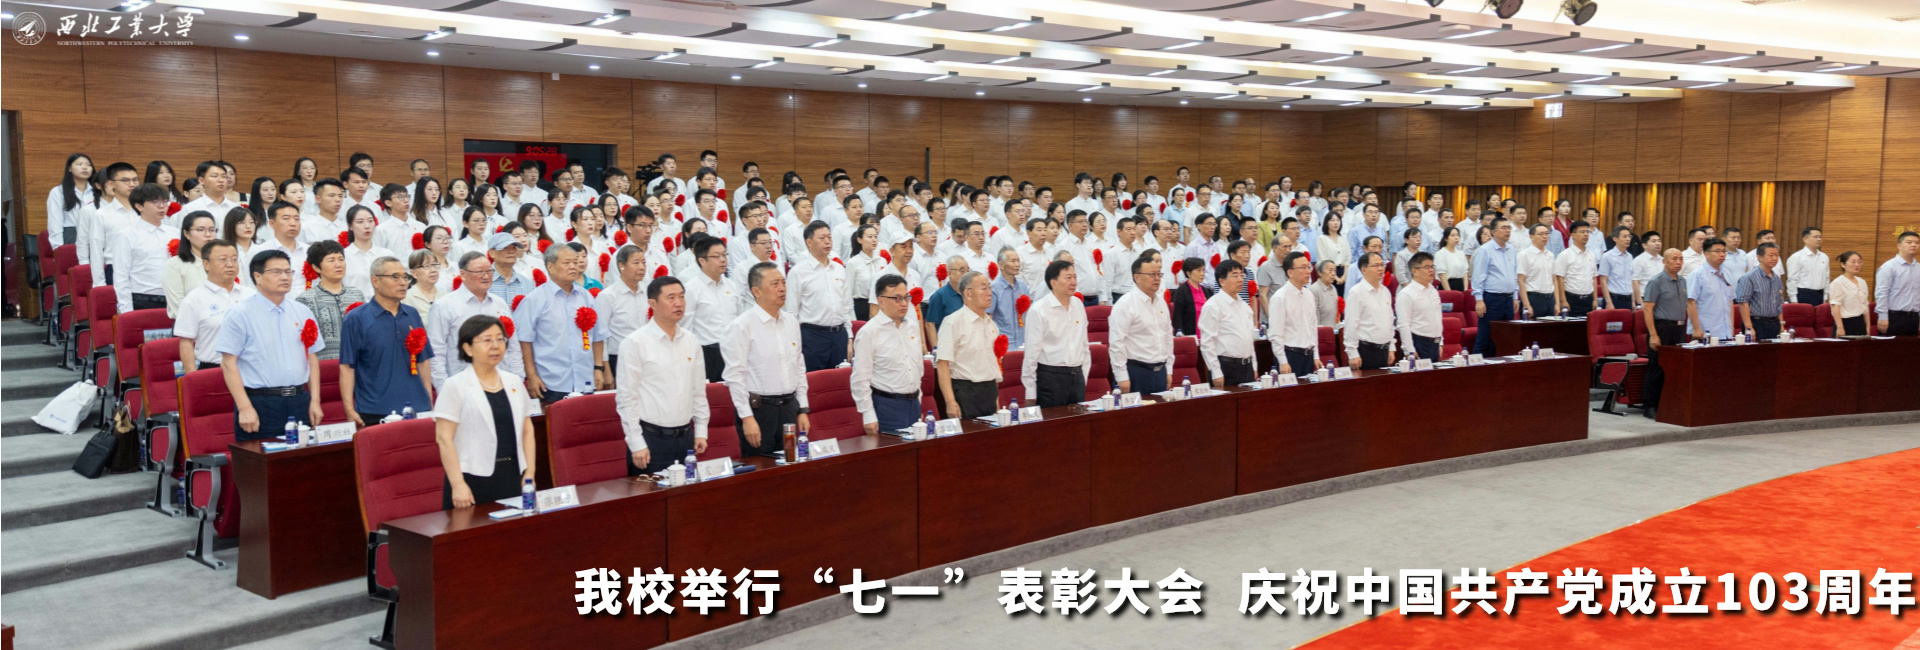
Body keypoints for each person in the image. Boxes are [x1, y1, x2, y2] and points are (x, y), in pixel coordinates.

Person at [216, 250, 325, 442]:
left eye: (288, 272)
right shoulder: (240, 314)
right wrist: (244, 407)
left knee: (303, 457)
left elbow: (312, 358)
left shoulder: (302, 311)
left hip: (300, 399)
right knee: (260, 457)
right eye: (276, 272)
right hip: (261, 402)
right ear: (257, 276)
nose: (285, 277)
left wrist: (315, 400)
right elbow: (228, 363)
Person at [433, 315, 538, 509]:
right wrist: (458, 484)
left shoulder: (514, 382)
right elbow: (444, 439)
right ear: (468, 348)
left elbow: (527, 430)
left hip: (512, 474)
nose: (496, 346)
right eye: (487, 340)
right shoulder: (455, 385)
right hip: (471, 478)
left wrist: (529, 472)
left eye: (500, 339)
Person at [615, 276, 711, 474]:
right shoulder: (635, 343)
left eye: (682, 297)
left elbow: (698, 391)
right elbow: (626, 398)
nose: (678, 303)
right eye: (671, 297)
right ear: (652, 303)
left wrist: (701, 430)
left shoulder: (691, 341)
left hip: (686, 438)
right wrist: (636, 443)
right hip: (651, 440)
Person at [723, 262, 812, 458]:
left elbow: (798, 366)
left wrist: (802, 409)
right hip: (759, 411)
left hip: (789, 407)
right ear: (756, 291)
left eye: (783, 283)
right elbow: (735, 376)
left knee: (790, 464)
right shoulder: (741, 326)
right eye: (774, 284)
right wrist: (747, 417)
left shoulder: (791, 322)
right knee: (760, 469)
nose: (782, 288)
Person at [338, 257, 435, 426]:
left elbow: (423, 361)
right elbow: (347, 367)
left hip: (417, 407)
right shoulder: (356, 318)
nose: (403, 283)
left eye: (405, 277)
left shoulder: (412, 314)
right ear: (375, 281)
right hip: (375, 410)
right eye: (395, 277)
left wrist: (428, 400)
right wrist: (349, 409)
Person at [513, 242, 609, 402]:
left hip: (585, 380)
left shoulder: (586, 297)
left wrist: (598, 368)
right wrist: (531, 376)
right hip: (550, 382)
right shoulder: (535, 299)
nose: (573, 267)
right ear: (550, 267)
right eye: (567, 263)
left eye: (575, 262)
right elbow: (524, 340)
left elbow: (598, 335)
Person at [429, 251, 522, 391]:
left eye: (489, 271)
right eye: (479, 272)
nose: (486, 276)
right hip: (463, 386)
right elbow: (436, 350)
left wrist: (517, 380)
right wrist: (443, 388)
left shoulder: (499, 303)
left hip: (501, 383)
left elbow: (513, 346)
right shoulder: (444, 306)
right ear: (463, 274)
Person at [851, 275, 925, 434]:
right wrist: (868, 414)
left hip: (913, 404)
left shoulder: (912, 326)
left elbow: (917, 367)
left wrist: (918, 401)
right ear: (881, 301)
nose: (904, 303)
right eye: (897, 299)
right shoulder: (869, 332)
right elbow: (860, 378)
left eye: (906, 297)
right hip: (887, 405)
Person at [175, 239, 255, 371]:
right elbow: (186, 342)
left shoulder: (250, 294)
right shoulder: (194, 299)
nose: (230, 264)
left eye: (234, 259)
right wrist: (192, 377)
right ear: (206, 264)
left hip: (250, 368)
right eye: (223, 259)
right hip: (213, 369)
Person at [1021, 261, 1091, 408]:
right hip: (1051, 378)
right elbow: (1032, 353)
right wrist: (1030, 391)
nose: (1073, 282)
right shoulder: (1039, 310)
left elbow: (1084, 345)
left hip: (1077, 376)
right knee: (1054, 422)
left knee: (1079, 421)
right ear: (1053, 282)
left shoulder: (1078, 305)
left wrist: (1083, 376)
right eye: (1068, 277)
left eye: (1075, 277)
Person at [935, 271, 1003, 418]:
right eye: (983, 288)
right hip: (965, 392)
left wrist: (996, 399)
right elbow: (942, 364)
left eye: (989, 288)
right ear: (968, 293)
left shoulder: (991, 325)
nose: (989, 293)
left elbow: (993, 364)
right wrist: (950, 402)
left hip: (989, 390)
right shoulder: (953, 322)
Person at [787, 222, 851, 371]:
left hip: (839, 335)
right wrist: (793, 344)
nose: (827, 241)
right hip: (813, 337)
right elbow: (791, 312)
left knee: (840, 381)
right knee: (814, 381)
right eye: (822, 238)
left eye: (829, 237)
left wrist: (849, 337)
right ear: (809, 243)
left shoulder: (839, 269)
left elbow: (846, 306)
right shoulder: (798, 272)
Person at [1108, 256, 1176, 394]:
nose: (1157, 279)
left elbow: (1168, 337)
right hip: (1136, 373)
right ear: (1137, 277)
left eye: (1159, 274)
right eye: (1151, 274)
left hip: (1160, 372)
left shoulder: (1161, 302)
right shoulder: (1125, 304)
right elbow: (1117, 343)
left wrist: (1169, 369)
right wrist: (1121, 376)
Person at [107, 183, 175, 313]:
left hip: (173, 298)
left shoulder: (175, 233)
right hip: (142, 299)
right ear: (139, 206)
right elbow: (121, 276)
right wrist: (126, 310)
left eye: (165, 201)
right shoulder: (127, 235)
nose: (162, 206)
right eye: (155, 202)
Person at [1639, 248, 1690, 419]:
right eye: (1674, 259)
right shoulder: (1656, 281)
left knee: (1676, 368)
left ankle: (1668, 403)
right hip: (1662, 328)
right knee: (1657, 368)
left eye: (1681, 259)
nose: (1678, 262)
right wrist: (1653, 334)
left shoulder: (1682, 281)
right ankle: (1650, 406)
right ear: (1664, 261)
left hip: (1679, 328)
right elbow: (1648, 308)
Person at [295, 240, 363, 360]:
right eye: (331, 260)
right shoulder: (306, 300)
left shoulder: (356, 294)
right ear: (316, 267)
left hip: (358, 362)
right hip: (324, 365)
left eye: (341, 259)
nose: (338, 265)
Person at [595, 245, 652, 377]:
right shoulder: (608, 296)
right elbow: (601, 335)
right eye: (636, 263)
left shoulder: (648, 292)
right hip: (619, 359)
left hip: (647, 356)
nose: (642, 267)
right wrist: (605, 368)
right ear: (622, 266)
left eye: (644, 262)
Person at [1199, 259, 1257, 387]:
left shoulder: (1244, 306)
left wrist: (1254, 365)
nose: (1240, 279)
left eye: (1242, 275)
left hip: (1247, 367)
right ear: (1222, 281)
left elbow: (1249, 339)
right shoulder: (1213, 306)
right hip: (1226, 367)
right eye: (1235, 275)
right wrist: (1215, 372)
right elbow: (1207, 342)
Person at [1470, 217, 1520, 356]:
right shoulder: (1485, 250)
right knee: (1485, 337)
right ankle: (1476, 366)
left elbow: (1514, 275)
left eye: (1509, 228)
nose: (1507, 231)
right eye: (1503, 228)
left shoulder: (1512, 250)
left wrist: (1515, 296)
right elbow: (1478, 276)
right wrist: (1479, 300)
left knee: (1506, 338)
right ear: (1493, 231)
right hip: (1491, 299)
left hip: (1508, 299)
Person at [1267, 252, 1321, 377]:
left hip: (1308, 355)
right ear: (1290, 272)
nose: (1308, 271)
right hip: (1290, 355)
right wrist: (1282, 361)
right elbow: (1275, 334)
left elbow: (1313, 327)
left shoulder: (1309, 295)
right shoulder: (1280, 297)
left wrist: (1316, 355)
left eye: (1308, 267)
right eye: (1303, 267)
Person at [1344, 252, 1396, 370]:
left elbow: (1390, 321)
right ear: (1364, 270)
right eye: (1376, 265)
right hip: (1366, 351)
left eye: (1382, 265)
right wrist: (1352, 353)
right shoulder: (1356, 292)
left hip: (1384, 350)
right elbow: (1351, 324)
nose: (1380, 268)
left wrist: (1391, 347)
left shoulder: (1385, 291)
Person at [1734, 243, 1787, 340]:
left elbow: (1779, 304)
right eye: (1771, 255)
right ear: (1759, 257)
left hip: (1774, 323)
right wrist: (1749, 328)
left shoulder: (1776, 278)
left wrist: (1781, 325)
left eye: (1777, 255)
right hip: (1756, 323)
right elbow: (1743, 303)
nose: (1775, 258)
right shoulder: (1749, 277)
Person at [1687, 238, 1736, 341]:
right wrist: (1696, 329)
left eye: (1724, 251)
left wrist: (1731, 327)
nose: (1722, 254)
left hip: (1725, 332)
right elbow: (1690, 302)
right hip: (1705, 332)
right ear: (1706, 254)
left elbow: (1730, 301)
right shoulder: (1697, 275)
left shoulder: (1726, 273)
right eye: (1717, 251)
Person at [1876, 231, 1920, 336]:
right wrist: (1882, 317)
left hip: (1914, 318)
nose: (1913, 245)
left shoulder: (1918, 267)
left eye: (1917, 243)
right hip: (1894, 317)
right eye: (1909, 242)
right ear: (1899, 245)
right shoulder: (1889, 267)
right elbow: (1882, 293)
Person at [1554, 220, 1600, 317]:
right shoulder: (1565, 255)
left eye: (1587, 232)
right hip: (1571, 299)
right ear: (1573, 235)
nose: (1586, 234)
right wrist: (1563, 300)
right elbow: (1559, 279)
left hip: (1588, 299)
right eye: (1582, 232)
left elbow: (1594, 278)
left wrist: (1595, 299)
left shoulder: (1591, 255)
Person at [921, 256, 970, 347]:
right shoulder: (940, 296)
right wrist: (937, 349)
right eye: (962, 270)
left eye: (968, 270)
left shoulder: (970, 293)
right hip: (948, 346)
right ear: (949, 273)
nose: (966, 274)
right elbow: (930, 324)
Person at [988, 248, 1030, 349]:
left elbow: (1028, 315)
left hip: (1023, 343)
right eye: (1013, 261)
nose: (1017, 264)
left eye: (1018, 260)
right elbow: (988, 318)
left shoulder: (1023, 287)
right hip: (1003, 345)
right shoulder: (994, 288)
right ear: (1001, 264)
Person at [1517, 224, 1557, 318]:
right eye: (1541, 234)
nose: (1545, 236)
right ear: (1531, 237)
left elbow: (1554, 280)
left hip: (1550, 299)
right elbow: (1521, 281)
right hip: (1534, 298)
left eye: (1546, 233)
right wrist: (1526, 305)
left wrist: (1557, 303)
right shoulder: (1524, 255)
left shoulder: (1550, 255)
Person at [1828, 251, 1870, 336]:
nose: (1857, 265)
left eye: (1859, 262)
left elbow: (1865, 306)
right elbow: (1835, 307)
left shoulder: (1862, 282)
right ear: (1843, 264)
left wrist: (1868, 326)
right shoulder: (1838, 283)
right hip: (1845, 323)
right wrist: (1840, 328)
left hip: (1860, 322)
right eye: (1853, 262)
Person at [1786, 227, 1828, 305]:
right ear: (1805, 239)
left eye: (1820, 237)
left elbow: (1826, 278)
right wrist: (1794, 300)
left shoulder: (1824, 257)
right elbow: (1792, 280)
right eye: (1815, 237)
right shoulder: (1796, 257)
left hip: (1820, 294)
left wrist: (1825, 297)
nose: (1819, 239)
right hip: (1803, 294)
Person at [1170, 256, 1211, 336]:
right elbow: (1178, 315)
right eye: (1199, 271)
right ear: (1189, 273)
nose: (1202, 273)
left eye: (1203, 270)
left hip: (1206, 331)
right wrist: (1179, 331)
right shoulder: (1182, 291)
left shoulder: (1205, 290)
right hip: (1190, 332)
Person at [1600, 226, 1638, 309]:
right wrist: (1609, 302)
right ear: (1615, 239)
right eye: (1624, 236)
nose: (1628, 239)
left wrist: (1633, 301)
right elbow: (1603, 281)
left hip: (1628, 299)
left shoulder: (1630, 256)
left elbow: (1630, 279)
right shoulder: (1607, 256)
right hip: (1614, 298)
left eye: (1629, 236)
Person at [1435, 227, 1470, 293]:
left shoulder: (1461, 253)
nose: (1456, 237)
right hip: (1448, 285)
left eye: (1457, 235)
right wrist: (1450, 293)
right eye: (1453, 235)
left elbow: (1465, 273)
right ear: (1446, 238)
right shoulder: (1441, 253)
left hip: (1460, 284)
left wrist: (1465, 290)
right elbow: (1442, 275)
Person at [1310, 260, 1340, 328]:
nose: (1333, 274)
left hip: (1334, 330)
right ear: (1320, 272)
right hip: (1322, 331)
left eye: (1335, 270)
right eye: (1330, 270)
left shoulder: (1333, 288)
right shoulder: (1314, 290)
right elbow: (1314, 318)